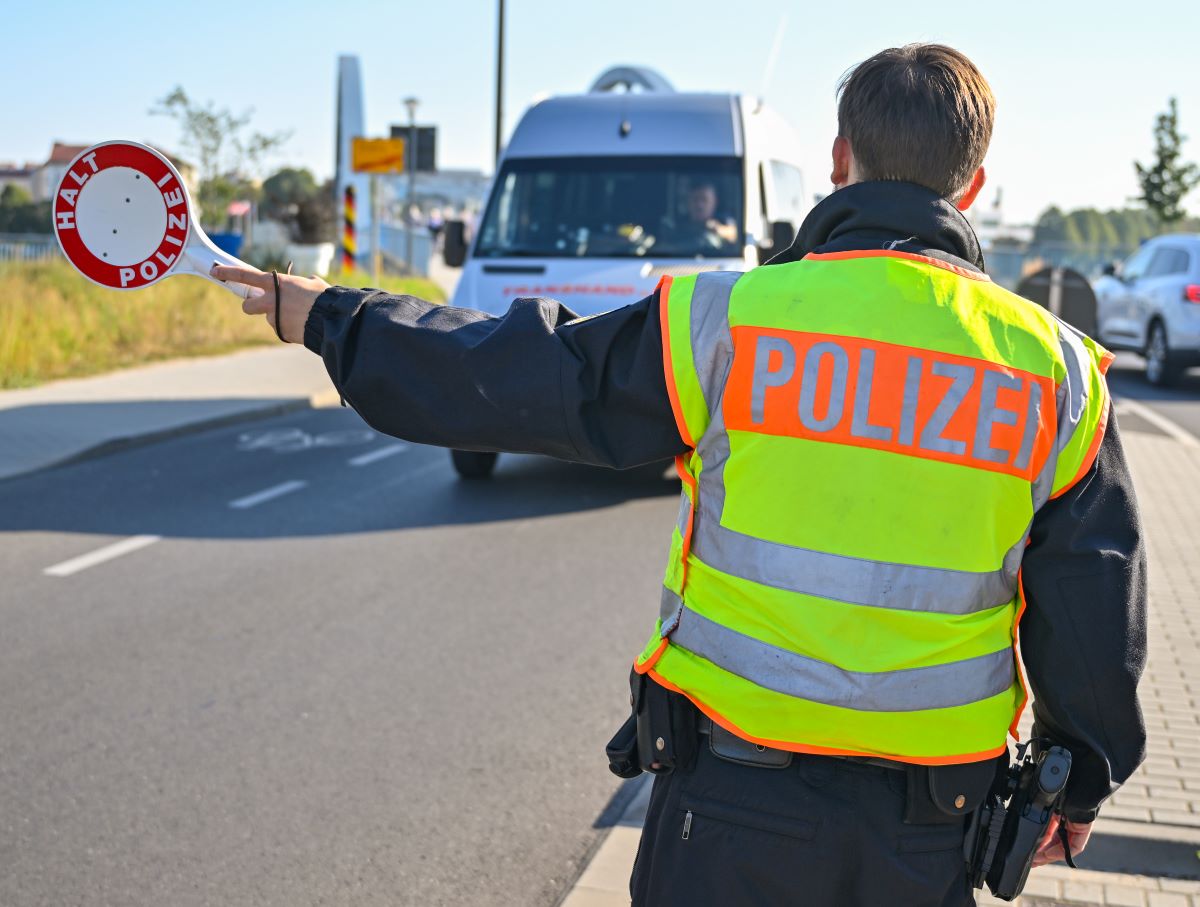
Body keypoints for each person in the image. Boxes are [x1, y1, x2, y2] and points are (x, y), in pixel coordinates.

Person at [215, 43, 1146, 907]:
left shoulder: (730, 320)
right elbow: (1094, 609)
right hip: (928, 831)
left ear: (838, 157)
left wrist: (335, 318)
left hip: (729, 809)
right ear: (974, 184)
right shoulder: (1056, 374)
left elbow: (524, 378)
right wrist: (1082, 773)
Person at [659, 180, 738, 251]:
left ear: (715, 202)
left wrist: (719, 230)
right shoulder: (677, 226)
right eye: (695, 199)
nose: (699, 205)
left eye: (704, 199)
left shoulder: (724, 221)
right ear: (687, 201)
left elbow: (738, 235)